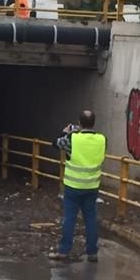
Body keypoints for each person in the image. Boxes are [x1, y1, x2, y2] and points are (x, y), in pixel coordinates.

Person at [49, 110, 107, 262]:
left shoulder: (72, 138)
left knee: (69, 219)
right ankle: (92, 252)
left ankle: (64, 251)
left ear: (79, 123)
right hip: (92, 187)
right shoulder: (102, 139)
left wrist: (66, 132)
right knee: (91, 219)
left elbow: (55, 143)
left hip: (73, 186)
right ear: (94, 123)